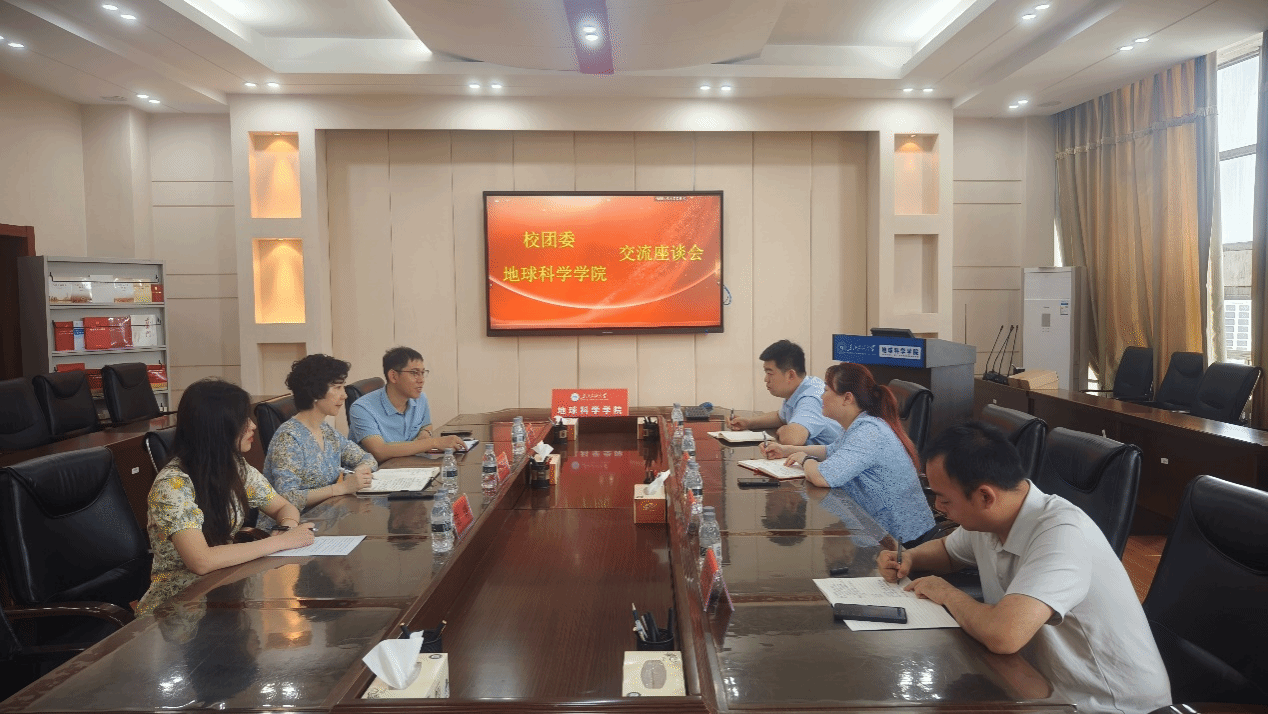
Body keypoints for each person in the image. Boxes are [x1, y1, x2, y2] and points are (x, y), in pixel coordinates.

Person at [878, 422, 1170, 714]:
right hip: (1039, 687)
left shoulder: (1062, 533)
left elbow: (1003, 635)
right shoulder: (992, 518)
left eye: (944, 499)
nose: (939, 507)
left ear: (985, 496)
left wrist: (946, 593)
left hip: (1108, 705)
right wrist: (909, 558)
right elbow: (948, 551)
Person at [136, 379, 315, 616]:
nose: (253, 426)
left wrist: (286, 528)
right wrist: (281, 542)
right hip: (178, 610)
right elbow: (201, 561)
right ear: (218, 427)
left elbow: (284, 507)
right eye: (243, 420)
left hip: (224, 590)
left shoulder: (235, 468)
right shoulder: (172, 485)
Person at [762, 362, 935, 544]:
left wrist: (805, 460)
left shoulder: (868, 432)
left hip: (903, 541)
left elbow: (822, 477)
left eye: (826, 390)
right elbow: (830, 451)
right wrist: (787, 450)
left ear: (847, 398)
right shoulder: (859, 424)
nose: (821, 396)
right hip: (877, 529)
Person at [261, 354, 377, 528]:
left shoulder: (326, 430)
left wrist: (360, 471)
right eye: (337, 388)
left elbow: (367, 458)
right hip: (287, 529)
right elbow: (287, 497)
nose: (344, 395)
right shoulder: (288, 438)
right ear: (315, 392)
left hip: (324, 521)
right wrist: (340, 488)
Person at [348, 346, 465, 462]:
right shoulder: (362, 408)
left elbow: (426, 425)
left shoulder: (420, 398)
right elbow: (379, 451)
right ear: (393, 376)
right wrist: (433, 442)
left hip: (410, 464)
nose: (421, 380)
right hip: (378, 470)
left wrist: (425, 433)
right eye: (414, 373)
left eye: (422, 373)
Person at [727, 339, 844, 446]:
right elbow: (780, 417)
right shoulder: (801, 387)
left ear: (790, 375)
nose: (766, 379)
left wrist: (783, 430)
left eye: (770, 373)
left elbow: (793, 439)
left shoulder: (810, 398)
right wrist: (748, 422)